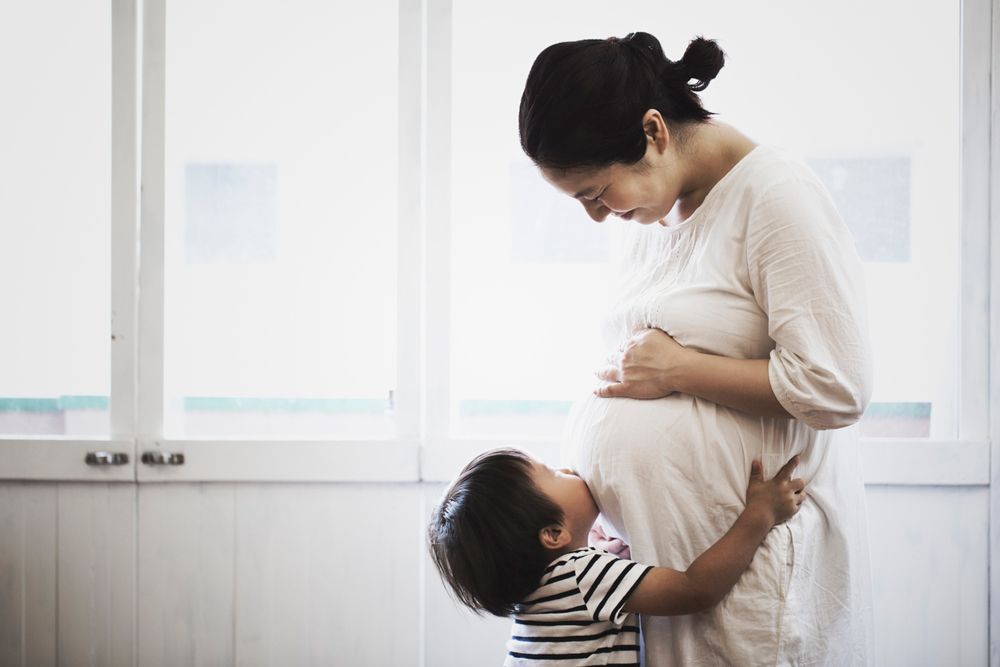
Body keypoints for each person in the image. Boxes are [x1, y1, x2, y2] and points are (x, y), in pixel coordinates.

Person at [518, 33, 874, 665]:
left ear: (653, 131)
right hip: (661, 572)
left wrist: (681, 370)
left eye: (596, 193)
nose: (598, 217)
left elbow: (835, 385)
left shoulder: (775, 197)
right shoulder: (652, 214)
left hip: (749, 575)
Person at [427, 448, 806, 666]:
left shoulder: (538, 594)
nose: (568, 469)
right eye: (553, 474)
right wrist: (759, 515)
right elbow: (695, 589)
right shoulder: (581, 575)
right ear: (554, 534)